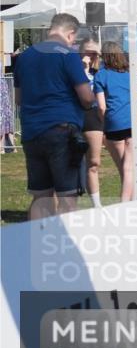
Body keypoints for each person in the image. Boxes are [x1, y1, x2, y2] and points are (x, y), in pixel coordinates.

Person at [13, 13, 95, 219]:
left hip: (32, 132)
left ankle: (38, 246)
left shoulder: (25, 56)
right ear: (70, 34)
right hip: (63, 131)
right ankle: (64, 247)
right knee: (68, 197)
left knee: (41, 197)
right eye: (74, 39)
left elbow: (19, 99)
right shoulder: (67, 54)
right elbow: (86, 98)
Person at [94, 42, 137, 202]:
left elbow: (102, 107)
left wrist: (104, 123)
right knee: (129, 168)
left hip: (113, 124)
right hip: (135, 124)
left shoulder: (100, 75)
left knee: (124, 168)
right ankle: (127, 204)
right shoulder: (133, 74)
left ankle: (127, 204)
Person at [79, 39, 104, 207]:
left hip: (93, 116)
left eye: (94, 53)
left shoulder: (100, 72)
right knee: (69, 161)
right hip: (73, 115)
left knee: (93, 162)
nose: (90, 55)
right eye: (87, 51)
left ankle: (97, 205)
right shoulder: (73, 69)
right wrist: (82, 68)